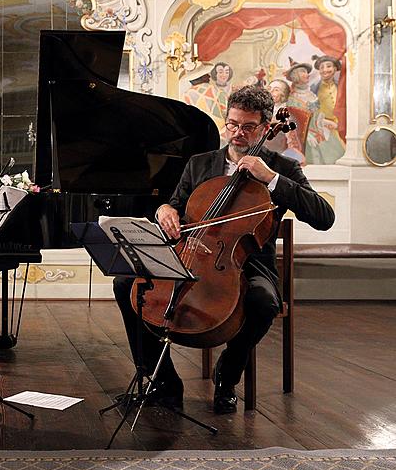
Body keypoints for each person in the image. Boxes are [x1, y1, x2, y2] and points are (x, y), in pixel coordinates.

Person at [113, 86, 335, 414]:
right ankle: (163, 380)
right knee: (126, 285)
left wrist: (271, 178)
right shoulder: (200, 164)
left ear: (264, 128)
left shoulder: (282, 169)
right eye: (232, 124)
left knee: (263, 302)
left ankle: (228, 374)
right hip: (190, 252)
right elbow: (176, 205)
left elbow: (324, 217)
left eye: (247, 127)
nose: (237, 133)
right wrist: (166, 211)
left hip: (249, 264)